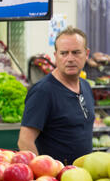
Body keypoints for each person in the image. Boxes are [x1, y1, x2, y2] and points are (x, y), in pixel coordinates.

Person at [17, 26, 95, 165]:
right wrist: (43, 176)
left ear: (86, 53)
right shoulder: (43, 92)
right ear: (55, 56)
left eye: (76, 52)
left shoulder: (86, 86)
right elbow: (25, 141)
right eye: (64, 53)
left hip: (84, 177)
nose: (70, 58)